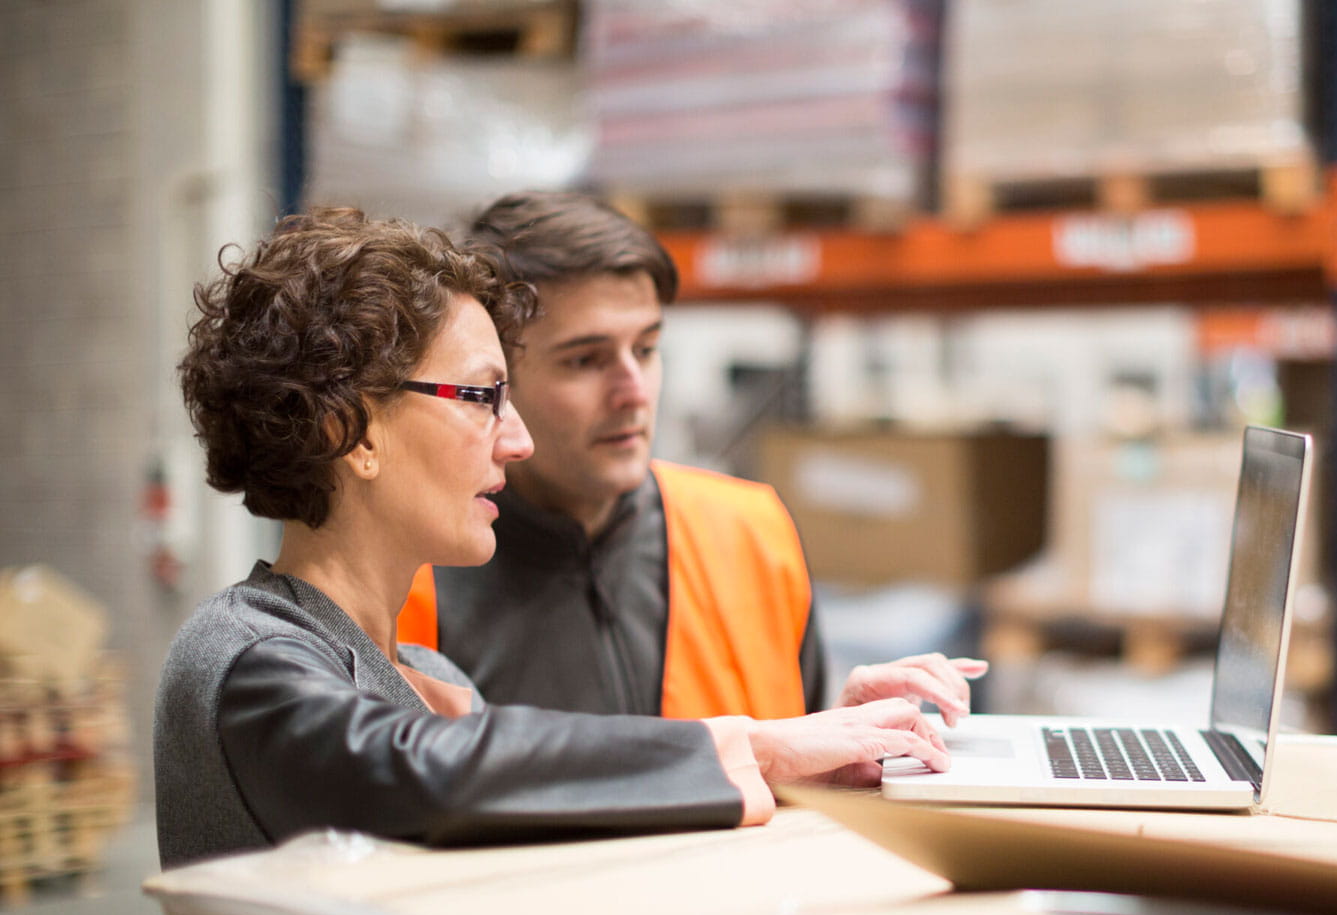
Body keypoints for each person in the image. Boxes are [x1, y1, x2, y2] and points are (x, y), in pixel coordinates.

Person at [152, 208, 950, 869]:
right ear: (350, 430)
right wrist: (758, 748)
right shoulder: (245, 657)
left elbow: (551, 824)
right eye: (482, 397)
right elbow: (422, 774)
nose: (517, 440)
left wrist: (817, 759)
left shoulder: (427, 673)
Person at [396, 191, 985, 725]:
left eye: (647, 349)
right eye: (585, 360)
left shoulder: (748, 534)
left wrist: (838, 732)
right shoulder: (414, 580)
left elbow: (785, 780)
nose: (634, 391)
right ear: (497, 381)